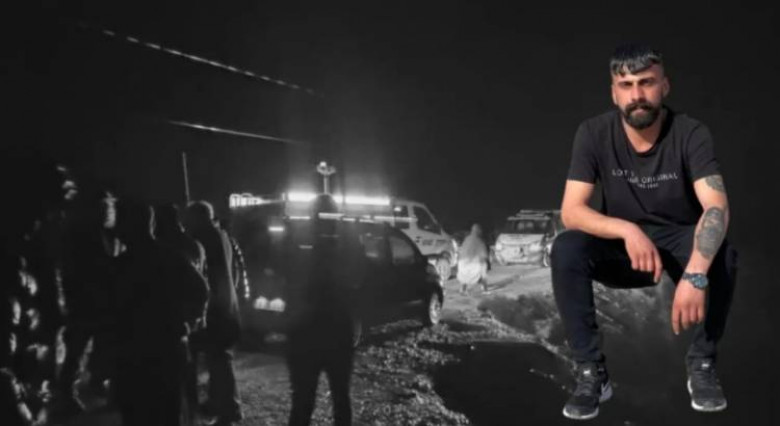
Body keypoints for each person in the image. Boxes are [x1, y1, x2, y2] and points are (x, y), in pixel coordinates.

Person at [551, 43, 737, 420]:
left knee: (724, 253)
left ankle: (702, 362)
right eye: (626, 85)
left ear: (664, 86)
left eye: (646, 83)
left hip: (677, 243)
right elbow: (571, 211)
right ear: (614, 93)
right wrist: (626, 229)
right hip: (625, 251)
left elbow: (716, 207)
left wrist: (696, 274)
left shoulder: (690, 133)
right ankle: (591, 373)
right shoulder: (593, 133)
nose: (637, 95)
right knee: (566, 248)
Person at [112, 200, 208, 426]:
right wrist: (184, 322)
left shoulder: (120, 266)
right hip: (166, 350)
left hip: (136, 355)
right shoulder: (171, 257)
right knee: (166, 413)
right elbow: (200, 292)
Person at [284, 195, 364, 426]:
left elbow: (286, 275)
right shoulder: (348, 240)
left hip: (305, 331)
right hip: (336, 331)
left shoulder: (299, 236)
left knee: (303, 399)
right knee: (340, 397)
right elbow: (360, 279)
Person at [184, 201, 243, 426]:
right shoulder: (223, 236)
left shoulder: (204, 239)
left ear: (198, 218)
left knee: (219, 360)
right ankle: (221, 404)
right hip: (227, 306)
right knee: (219, 358)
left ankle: (230, 410)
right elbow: (234, 272)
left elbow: (207, 276)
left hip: (216, 309)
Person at [456, 224, 489, 294]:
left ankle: (463, 289)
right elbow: (483, 254)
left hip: (463, 263)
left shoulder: (467, 239)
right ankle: (485, 289)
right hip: (473, 264)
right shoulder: (478, 241)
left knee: (464, 276)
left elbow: (462, 251)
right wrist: (485, 260)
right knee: (483, 268)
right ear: (478, 231)